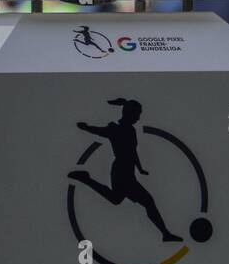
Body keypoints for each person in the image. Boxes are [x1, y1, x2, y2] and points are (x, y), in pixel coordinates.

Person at [69, 97, 182, 242]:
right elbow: (99, 131)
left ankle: (85, 178)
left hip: (128, 171)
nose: (138, 118)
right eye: (137, 114)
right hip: (121, 171)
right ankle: (165, 234)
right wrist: (86, 127)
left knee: (117, 199)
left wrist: (140, 168)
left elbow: (133, 152)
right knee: (146, 200)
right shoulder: (115, 129)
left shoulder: (132, 130)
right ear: (129, 114)